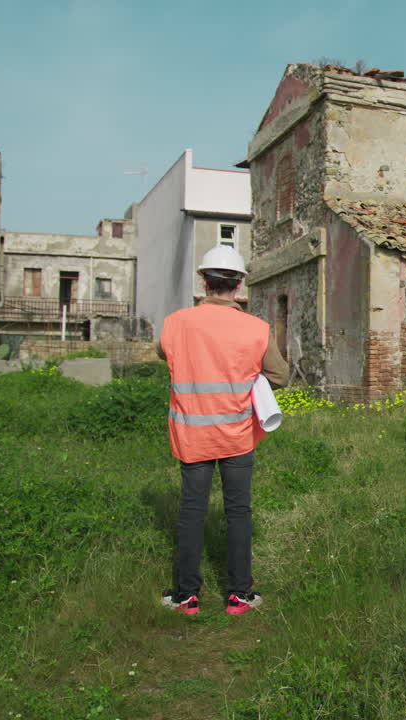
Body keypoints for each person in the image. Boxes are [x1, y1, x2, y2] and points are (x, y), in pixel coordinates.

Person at [157, 246, 287, 616]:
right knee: (238, 512)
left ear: (204, 282)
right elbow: (280, 376)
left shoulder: (176, 323)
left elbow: (163, 353)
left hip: (192, 435)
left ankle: (186, 597)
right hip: (237, 435)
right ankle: (239, 596)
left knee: (191, 512)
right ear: (240, 284)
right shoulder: (256, 328)